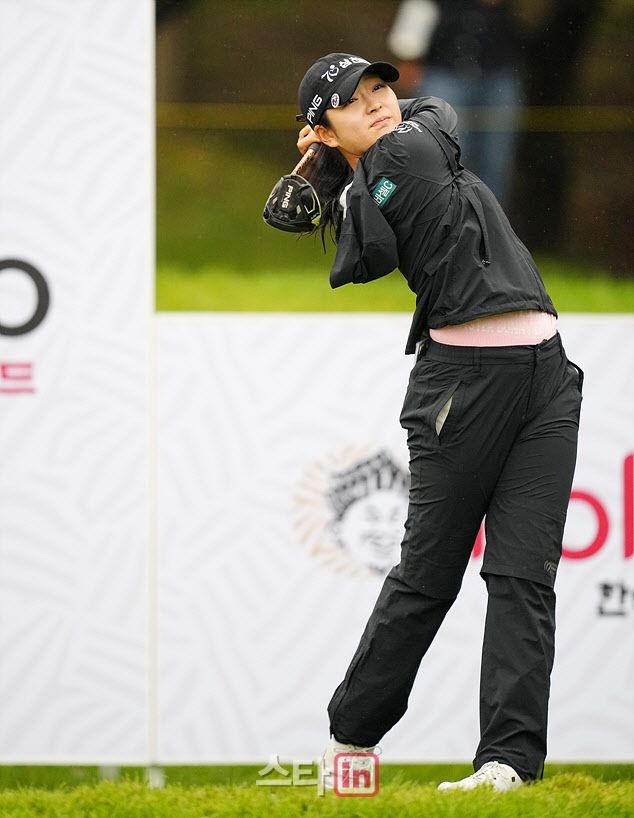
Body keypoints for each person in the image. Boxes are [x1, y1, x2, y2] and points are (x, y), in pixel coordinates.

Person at [293, 52, 583, 791]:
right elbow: (440, 116)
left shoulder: (381, 166)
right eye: (354, 101)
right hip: (463, 389)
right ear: (321, 129)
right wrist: (337, 167)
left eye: (379, 87)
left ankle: (508, 765)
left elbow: (425, 119)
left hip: (547, 378)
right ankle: (351, 739)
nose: (379, 102)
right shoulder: (402, 154)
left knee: (524, 577)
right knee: (428, 577)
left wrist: (328, 163)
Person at [387, 0, 525, 207]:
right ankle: (446, 220)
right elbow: (417, 13)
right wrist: (409, 56)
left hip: (498, 73)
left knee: (496, 160)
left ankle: (489, 222)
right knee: (448, 155)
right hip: (443, 73)